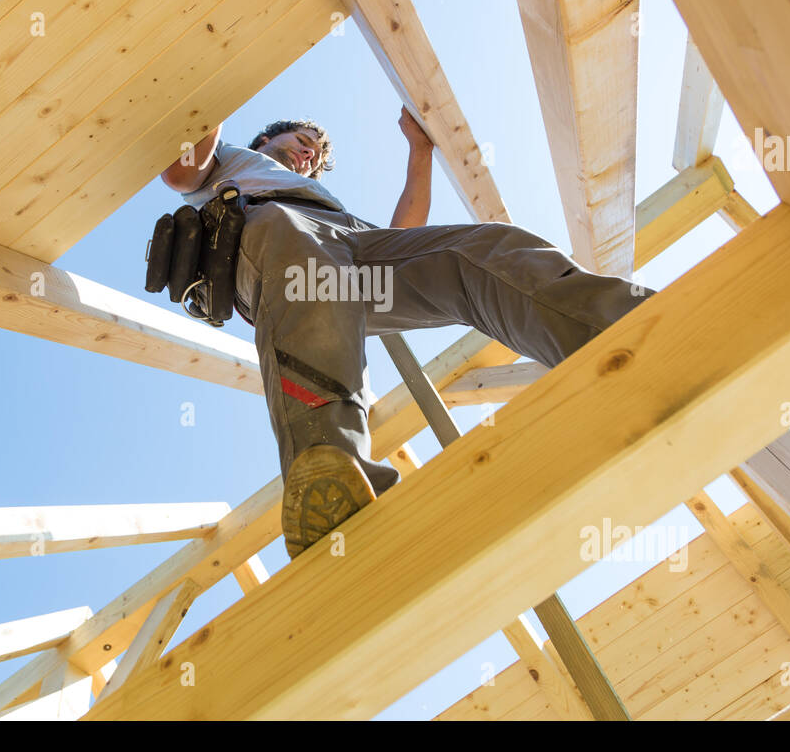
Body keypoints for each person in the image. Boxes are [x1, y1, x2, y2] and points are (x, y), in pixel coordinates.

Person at [160, 109, 651, 560]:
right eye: (302, 139)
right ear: (267, 136)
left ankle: (611, 328)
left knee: (480, 250)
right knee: (310, 274)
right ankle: (330, 476)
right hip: (268, 235)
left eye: (315, 154)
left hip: (347, 242)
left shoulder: (319, 195)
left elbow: (404, 232)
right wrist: (215, 98)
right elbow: (182, 172)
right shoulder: (232, 160)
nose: (309, 153)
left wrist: (421, 151)